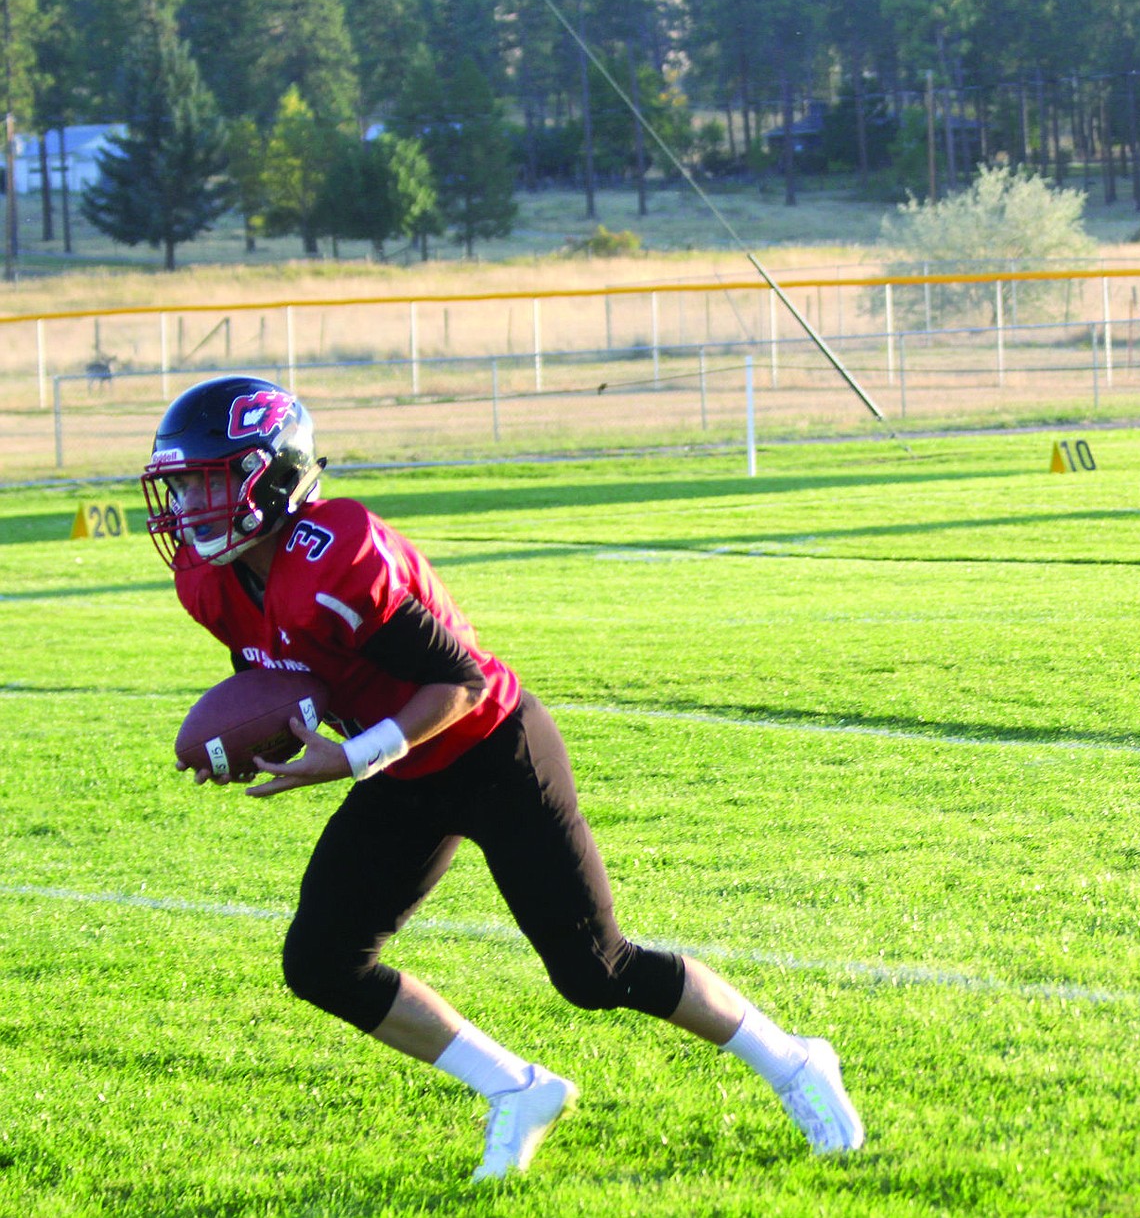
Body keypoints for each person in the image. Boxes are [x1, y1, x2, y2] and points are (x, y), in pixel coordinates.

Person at [141, 374, 865, 1182]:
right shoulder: (207, 582)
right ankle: (516, 1089)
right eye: (181, 486)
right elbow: (287, 678)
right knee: (322, 961)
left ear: (271, 475)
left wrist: (347, 756)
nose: (187, 506)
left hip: (494, 748)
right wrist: (252, 740)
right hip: (403, 768)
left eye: (205, 481)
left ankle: (796, 1060)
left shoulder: (335, 551)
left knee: (597, 970)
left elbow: (461, 682)